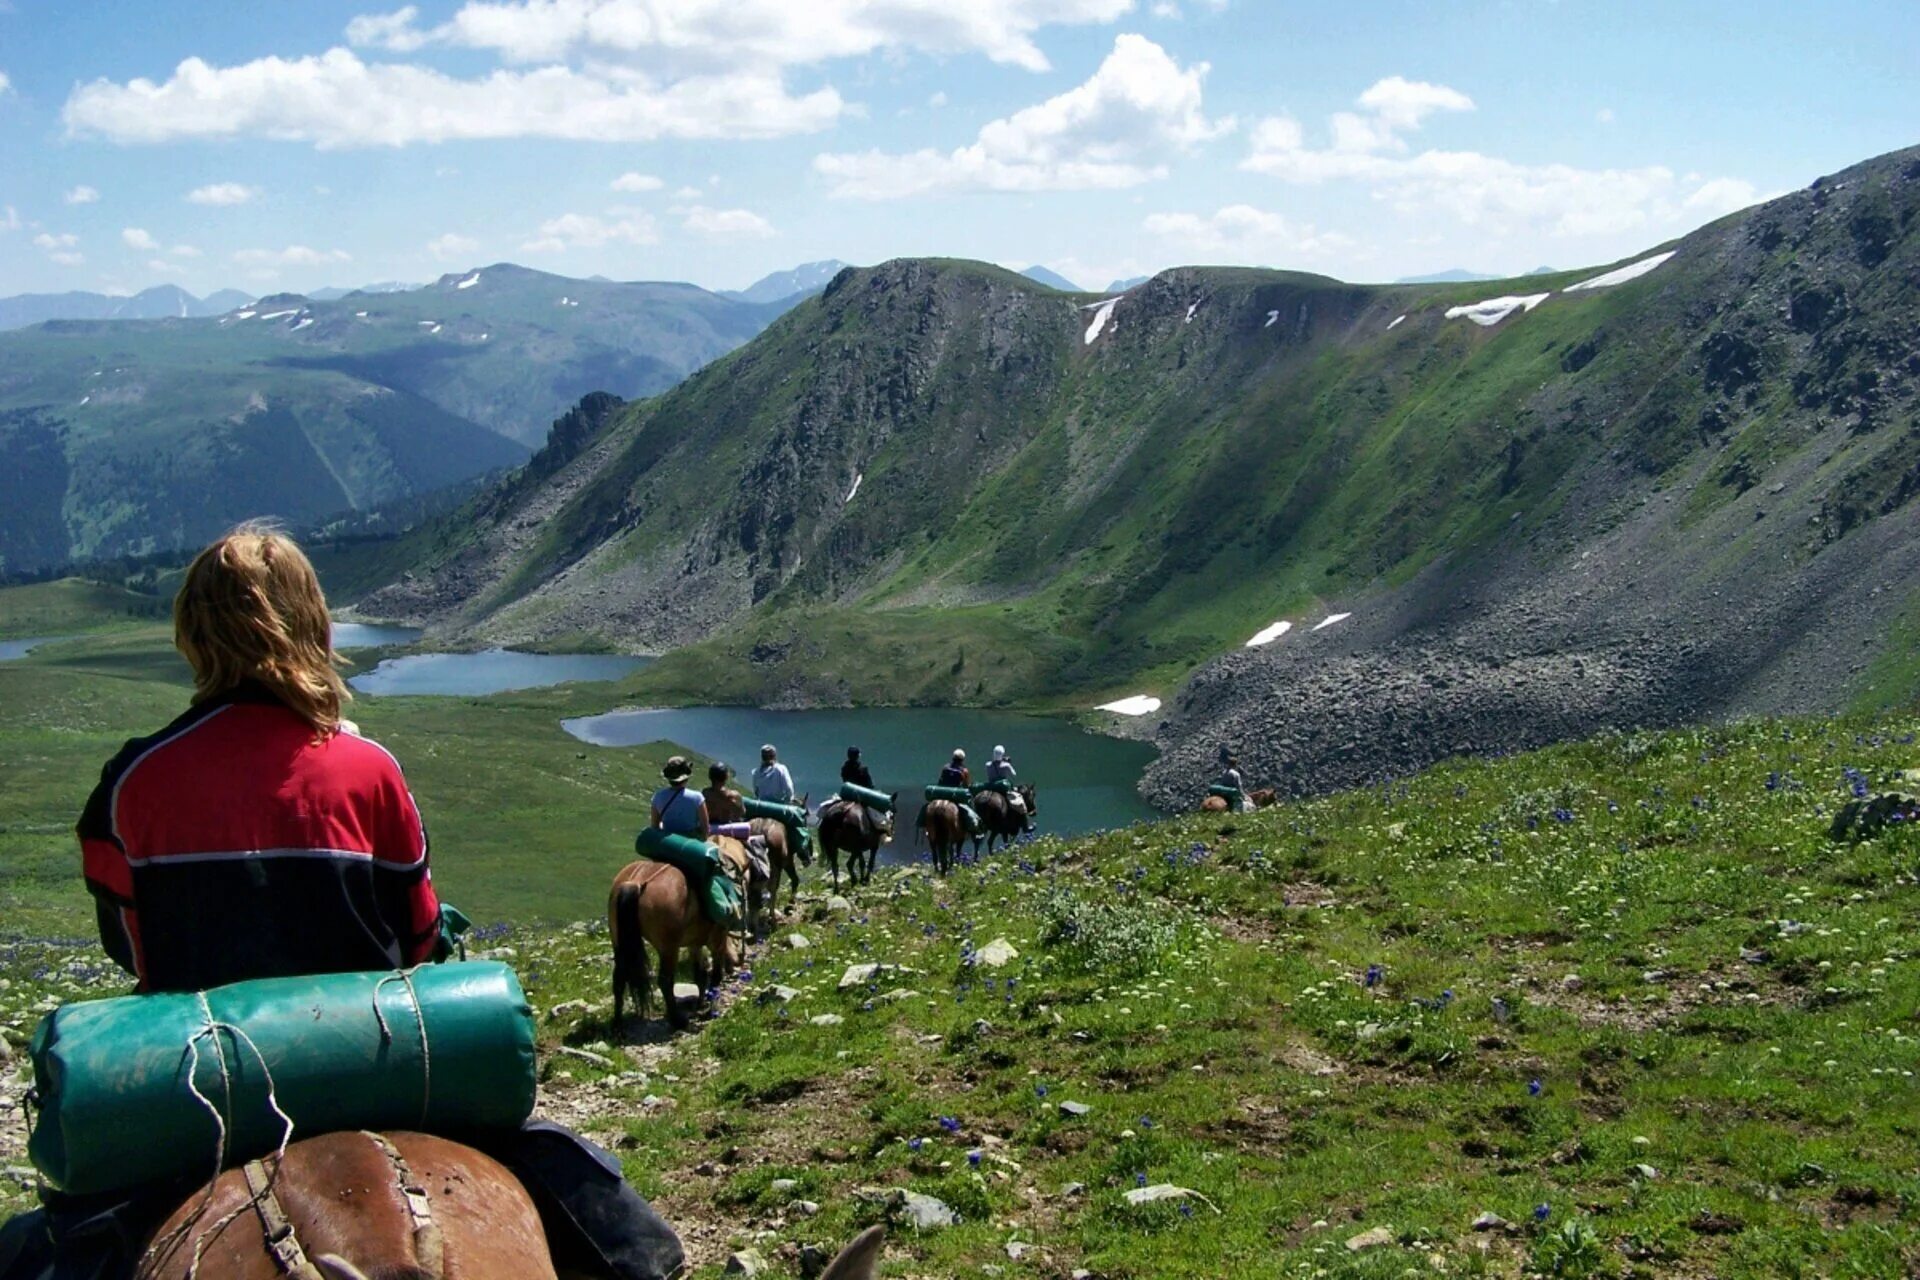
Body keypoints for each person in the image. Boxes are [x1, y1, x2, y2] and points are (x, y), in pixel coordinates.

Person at [1, 524, 685, 1280]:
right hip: (382, 1061)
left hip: (203, 1086)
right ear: (311, 626)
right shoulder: (368, 769)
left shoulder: (133, 780)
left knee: (50, 1251)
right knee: (608, 1224)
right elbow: (420, 938)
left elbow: (130, 947)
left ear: (193, 633)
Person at [651, 756, 710, 838]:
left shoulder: (658, 797)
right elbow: (705, 829)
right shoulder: (697, 797)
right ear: (686, 777)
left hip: (668, 842)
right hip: (691, 843)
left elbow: (654, 827)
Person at [987, 745, 1034, 832]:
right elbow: (1014, 774)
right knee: (1021, 804)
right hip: (1003, 789)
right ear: (1003, 754)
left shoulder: (988, 764)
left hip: (992, 789)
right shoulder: (1006, 765)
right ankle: (1026, 827)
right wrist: (1007, 763)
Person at [702, 761, 746, 825]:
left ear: (710, 777)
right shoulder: (735, 796)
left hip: (710, 827)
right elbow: (742, 812)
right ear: (726, 777)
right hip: (727, 829)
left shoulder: (705, 793)